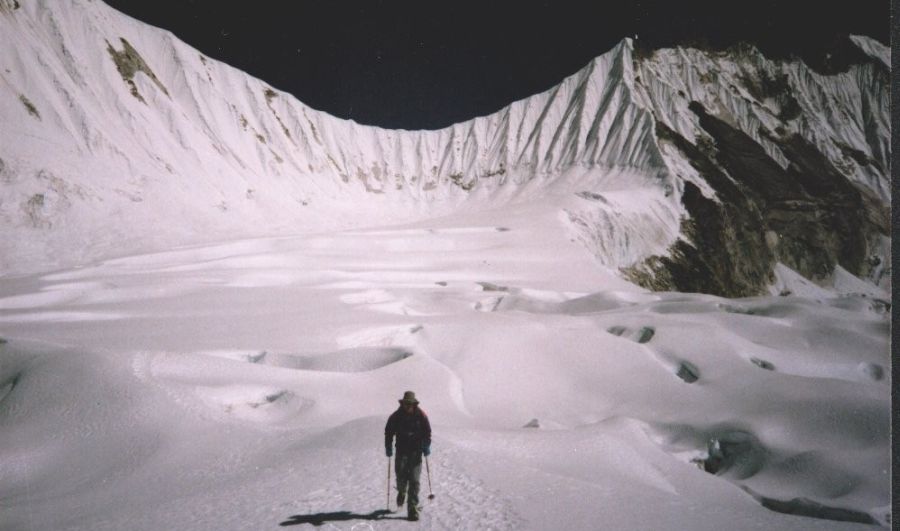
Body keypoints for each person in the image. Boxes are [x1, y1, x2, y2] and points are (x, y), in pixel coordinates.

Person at [385, 391, 431, 521]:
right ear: (402, 403)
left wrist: (426, 445)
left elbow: (427, 432)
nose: (408, 406)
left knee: (415, 481)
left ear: (414, 403)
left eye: (410, 403)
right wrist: (388, 446)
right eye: (406, 403)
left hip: (416, 453)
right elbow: (388, 432)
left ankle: (412, 509)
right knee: (401, 479)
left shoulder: (421, 415)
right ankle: (401, 491)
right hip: (401, 452)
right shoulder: (395, 416)